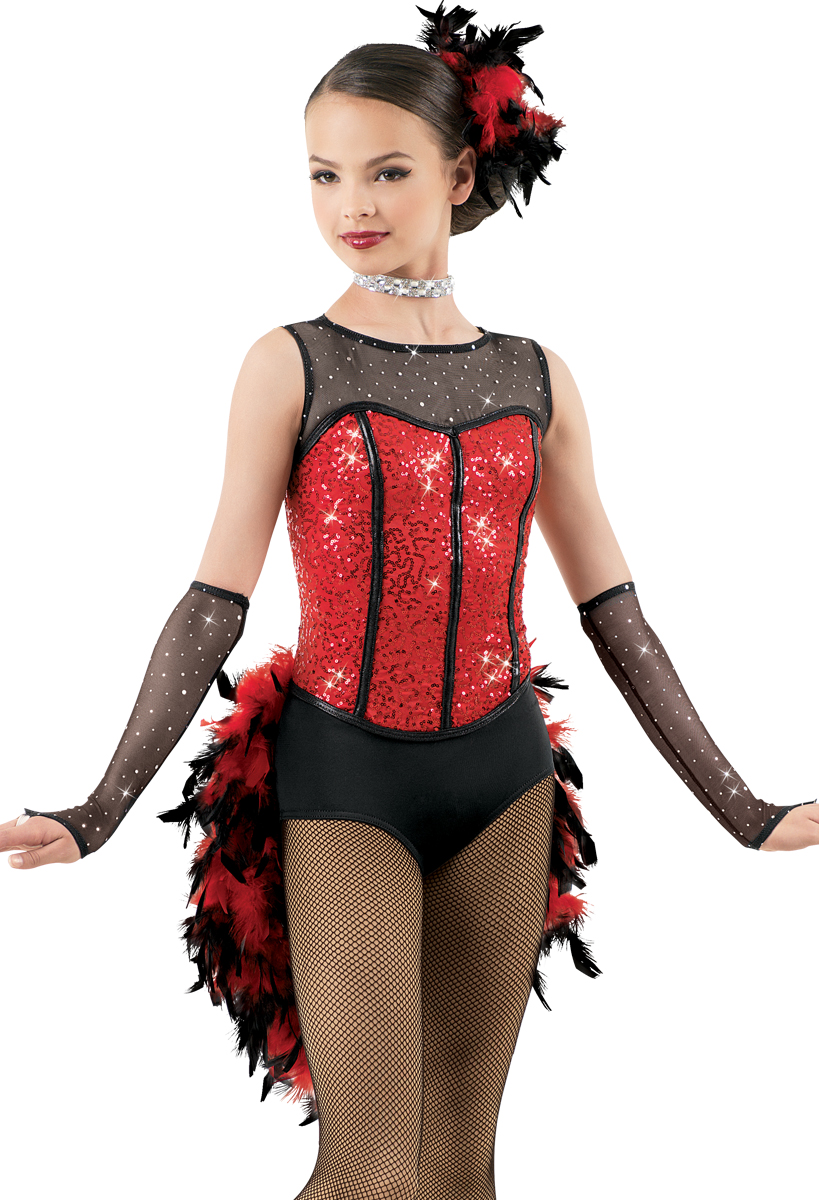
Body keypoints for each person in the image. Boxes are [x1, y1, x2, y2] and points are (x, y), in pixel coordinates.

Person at [3, 4, 817, 1199]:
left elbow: (616, 613)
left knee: (459, 1173)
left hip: (507, 782)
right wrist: (101, 807)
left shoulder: (535, 376)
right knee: (372, 1176)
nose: (352, 204)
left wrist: (744, 811)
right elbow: (214, 602)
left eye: (386, 170)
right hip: (346, 778)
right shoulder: (291, 362)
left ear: (461, 174)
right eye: (324, 174)